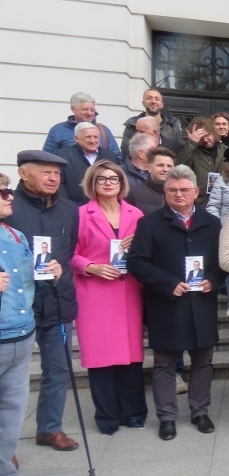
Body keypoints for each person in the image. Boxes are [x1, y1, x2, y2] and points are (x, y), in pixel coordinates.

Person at [127, 165, 225, 440]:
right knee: (164, 364)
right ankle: (167, 417)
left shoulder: (212, 223)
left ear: (196, 191)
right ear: (165, 192)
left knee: (203, 361)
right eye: (173, 190)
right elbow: (137, 262)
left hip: (201, 303)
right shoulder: (149, 223)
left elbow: (222, 261)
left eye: (184, 190)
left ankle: (200, 411)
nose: (179, 194)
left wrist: (213, 280)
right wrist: (167, 283)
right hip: (166, 304)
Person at [6, 151, 79, 452]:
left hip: (58, 301)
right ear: (23, 173)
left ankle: (49, 428)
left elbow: (68, 250)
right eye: (45, 172)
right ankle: (5, 447)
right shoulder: (9, 207)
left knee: (58, 370)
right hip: (15, 307)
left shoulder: (69, 209)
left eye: (57, 174)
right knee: (9, 383)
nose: (53, 179)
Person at [71, 160, 147, 434]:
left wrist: (138, 242)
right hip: (95, 293)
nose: (107, 183)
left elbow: (148, 249)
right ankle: (107, 416)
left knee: (131, 355)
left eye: (113, 178)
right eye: (101, 178)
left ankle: (134, 412)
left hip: (129, 291)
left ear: (121, 183)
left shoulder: (136, 214)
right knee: (101, 356)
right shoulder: (81, 214)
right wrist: (90, 266)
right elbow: (68, 253)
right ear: (92, 183)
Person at [0, 173, 41, 476]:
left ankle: (3, 472)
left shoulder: (15, 235)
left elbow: (29, 280)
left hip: (22, 334)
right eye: (3, 192)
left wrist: (49, 272)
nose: (10, 196)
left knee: (13, 409)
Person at [45, 92, 122, 161]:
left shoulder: (103, 130)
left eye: (92, 110)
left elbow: (117, 158)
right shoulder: (58, 130)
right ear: (73, 109)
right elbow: (47, 158)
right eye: (85, 109)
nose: (89, 113)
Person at [56, 123, 119, 205]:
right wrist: (69, 205)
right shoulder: (62, 156)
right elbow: (59, 184)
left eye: (96, 137)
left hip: (103, 207)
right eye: (88, 137)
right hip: (72, 207)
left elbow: (116, 182)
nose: (92, 141)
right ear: (76, 138)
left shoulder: (111, 157)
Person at [177, 116, 227, 208]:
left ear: (213, 132)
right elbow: (180, 168)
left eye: (207, 135)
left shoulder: (226, 151)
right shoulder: (191, 151)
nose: (205, 139)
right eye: (201, 137)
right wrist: (192, 143)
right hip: (200, 203)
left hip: (223, 202)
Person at [122, 88, 185, 158]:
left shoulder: (173, 125)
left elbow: (180, 152)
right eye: (149, 98)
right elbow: (125, 152)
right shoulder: (132, 124)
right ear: (143, 103)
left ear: (162, 104)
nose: (153, 101)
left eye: (157, 99)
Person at [126, 147, 176, 216]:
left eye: (169, 166)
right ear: (149, 168)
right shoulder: (133, 193)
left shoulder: (180, 193)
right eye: (160, 165)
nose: (165, 169)